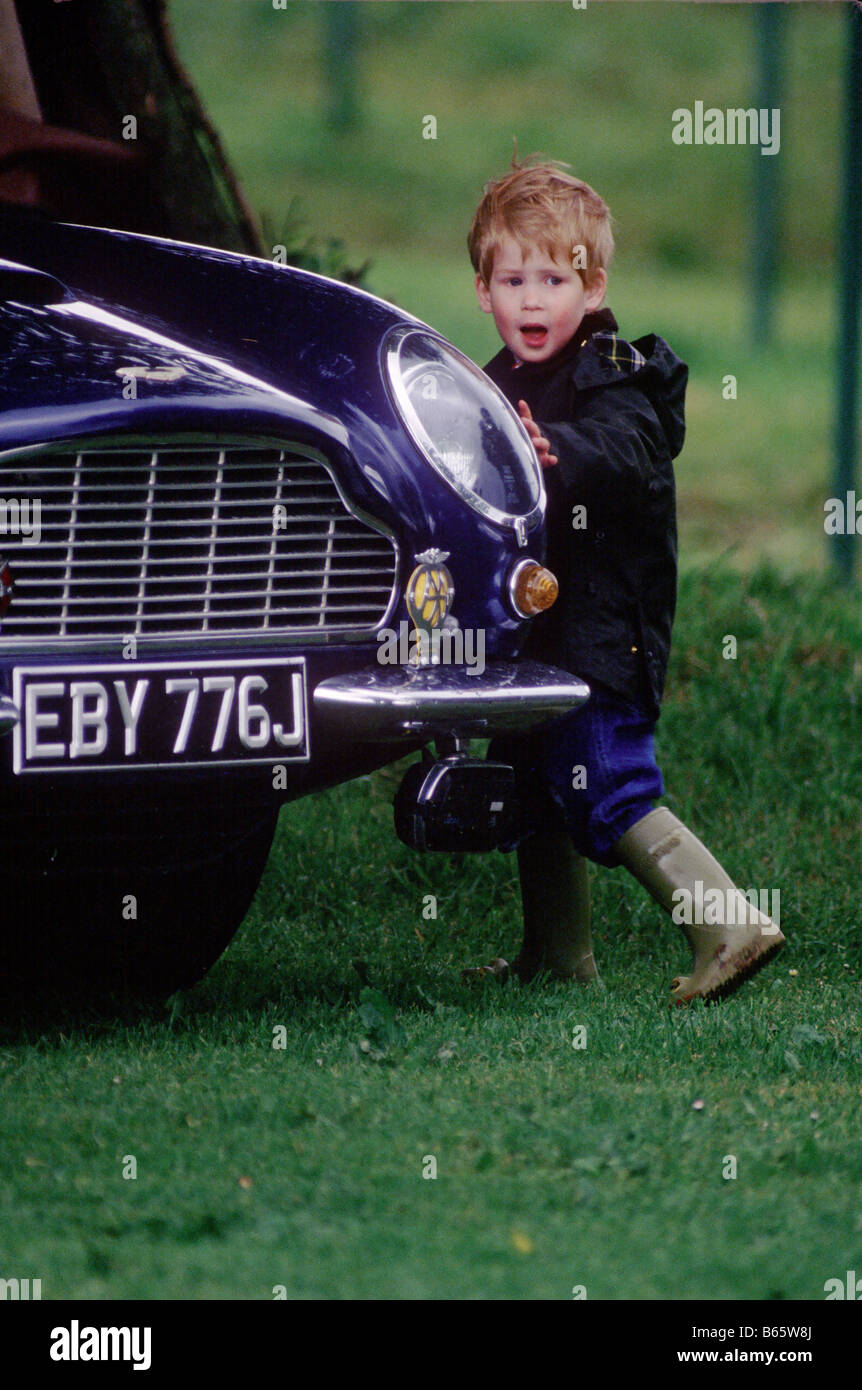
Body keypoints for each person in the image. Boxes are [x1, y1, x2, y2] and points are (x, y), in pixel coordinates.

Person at [463, 156, 785, 1004]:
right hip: (538, 637)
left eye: (552, 279)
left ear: (594, 284)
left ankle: (728, 923)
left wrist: (556, 452)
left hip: (607, 633)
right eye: (511, 279)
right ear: (482, 291)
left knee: (606, 780)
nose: (532, 300)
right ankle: (558, 956)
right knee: (534, 783)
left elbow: (633, 452)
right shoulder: (497, 384)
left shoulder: (613, 370)